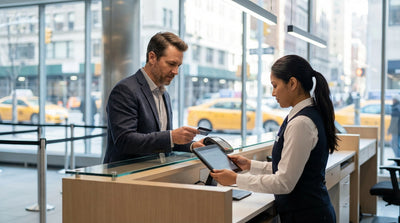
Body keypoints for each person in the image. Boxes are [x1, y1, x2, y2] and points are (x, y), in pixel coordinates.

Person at [210, 55, 338, 223]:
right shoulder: (303, 115)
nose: (273, 93)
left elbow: (284, 182)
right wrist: (250, 165)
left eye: (275, 86)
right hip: (308, 211)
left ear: (292, 83)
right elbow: (289, 168)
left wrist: (236, 179)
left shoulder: (301, 123)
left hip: (307, 215)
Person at [103, 32, 204, 163]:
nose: (176, 72)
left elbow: (161, 141)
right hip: (126, 178)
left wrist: (190, 145)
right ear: (152, 57)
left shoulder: (164, 95)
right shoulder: (125, 90)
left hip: (155, 175)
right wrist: (171, 137)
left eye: (178, 66)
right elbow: (125, 141)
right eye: (171, 64)